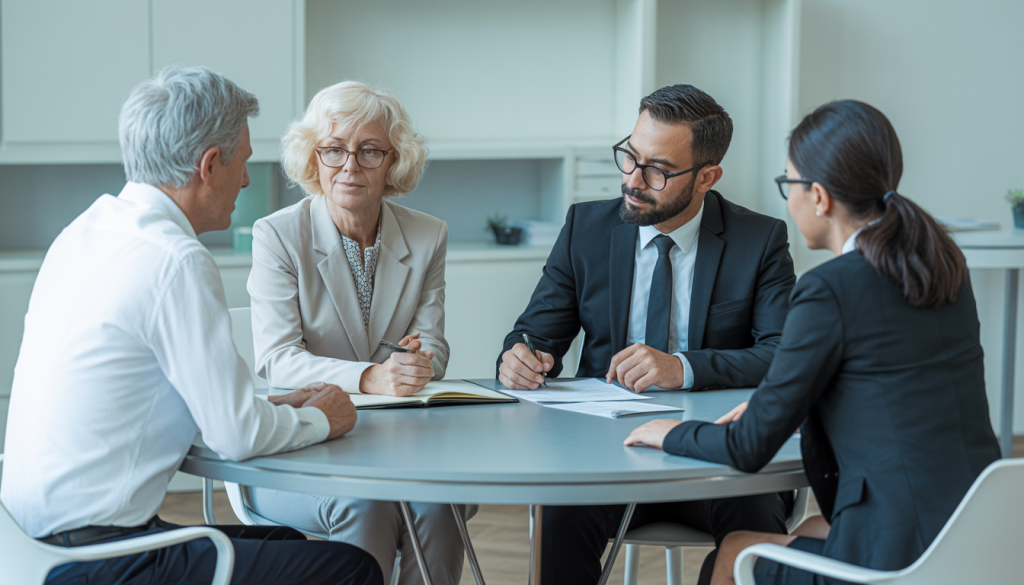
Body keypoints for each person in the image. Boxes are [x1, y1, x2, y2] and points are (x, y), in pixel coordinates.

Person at [0, 66, 381, 585]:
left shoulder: (86, 232)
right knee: (350, 569)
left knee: (285, 545)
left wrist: (272, 405)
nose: (246, 179)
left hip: (25, 547)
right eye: (243, 161)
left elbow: (151, 395)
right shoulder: (174, 258)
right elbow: (238, 436)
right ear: (209, 165)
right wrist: (327, 418)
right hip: (101, 560)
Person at [625, 100, 1001, 585]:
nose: (788, 200)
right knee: (811, 526)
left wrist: (666, 432)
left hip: (903, 553)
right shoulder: (939, 263)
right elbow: (888, 385)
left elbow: (749, 448)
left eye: (789, 184)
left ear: (818, 197)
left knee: (737, 549)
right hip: (979, 528)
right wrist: (784, 405)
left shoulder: (829, 289)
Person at [497, 84, 798, 585]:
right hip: (605, 453)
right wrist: (519, 356)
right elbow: (535, 334)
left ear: (708, 177)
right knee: (559, 515)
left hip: (718, 453)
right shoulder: (585, 227)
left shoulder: (759, 240)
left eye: (657, 169)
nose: (633, 180)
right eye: (629, 157)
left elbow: (782, 354)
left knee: (757, 522)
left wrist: (681, 367)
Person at [244, 80, 472, 585]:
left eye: (370, 150)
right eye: (333, 149)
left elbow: (432, 339)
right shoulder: (278, 236)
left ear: (395, 160)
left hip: (402, 444)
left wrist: (420, 362)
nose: (350, 166)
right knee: (367, 502)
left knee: (441, 505)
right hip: (300, 444)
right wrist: (373, 376)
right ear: (313, 156)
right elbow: (278, 360)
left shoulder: (427, 233)